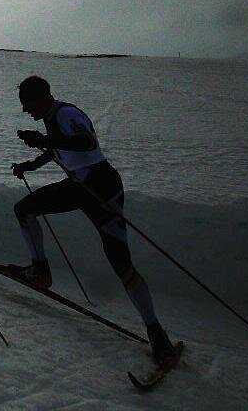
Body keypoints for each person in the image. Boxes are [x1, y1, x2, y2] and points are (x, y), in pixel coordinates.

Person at [10, 75, 177, 365]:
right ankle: (40, 270)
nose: (27, 111)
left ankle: (156, 332)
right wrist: (31, 164)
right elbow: (58, 149)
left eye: (27, 104)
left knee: (120, 262)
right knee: (24, 209)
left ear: (41, 98)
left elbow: (85, 143)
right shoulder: (54, 117)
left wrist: (43, 140)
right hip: (84, 186)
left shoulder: (66, 113)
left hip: (99, 188)